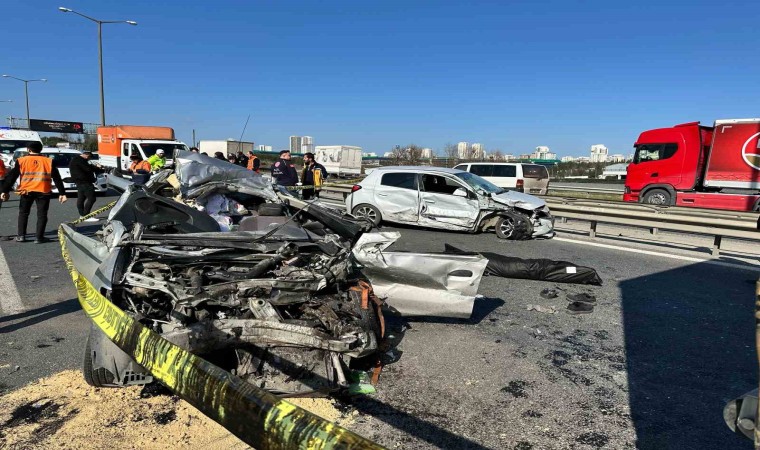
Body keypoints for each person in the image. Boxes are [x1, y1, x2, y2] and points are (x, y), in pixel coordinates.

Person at [0, 141, 67, 243]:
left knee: (23, 213)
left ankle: (21, 236)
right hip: (43, 191)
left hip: (26, 191)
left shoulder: (21, 160)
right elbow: (57, 178)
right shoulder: (49, 161)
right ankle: (39, 238)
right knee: (42, 214)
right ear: (41, 149)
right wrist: (62, 193)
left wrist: (4, 190)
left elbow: (12, 177)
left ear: (28, 149)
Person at [69, 151, 104, 221]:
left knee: (81, 198)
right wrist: (98, 168)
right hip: (84, 181)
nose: (88, 159)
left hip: (79, 181)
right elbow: (88, 169)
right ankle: (86, 216)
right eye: (89, 158)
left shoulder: (76, 159)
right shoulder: (80, 160)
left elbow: (87, 167)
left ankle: (82, 215)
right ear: (86, 155)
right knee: (92, 198)